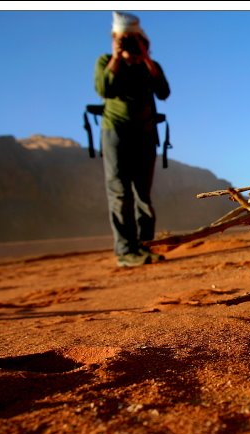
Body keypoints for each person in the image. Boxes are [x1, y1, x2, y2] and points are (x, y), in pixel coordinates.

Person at [94, 11, 170, 267]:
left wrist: (145, 57)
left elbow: (164, 92)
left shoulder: (149, 65)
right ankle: (126, 251)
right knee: (119, 191)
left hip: (146, 133)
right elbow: (104, 89)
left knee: (142, 193)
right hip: (115, 132)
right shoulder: (106, 60)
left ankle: (145, 246)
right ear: (114, 39)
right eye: (123, 40)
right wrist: (117, 57)